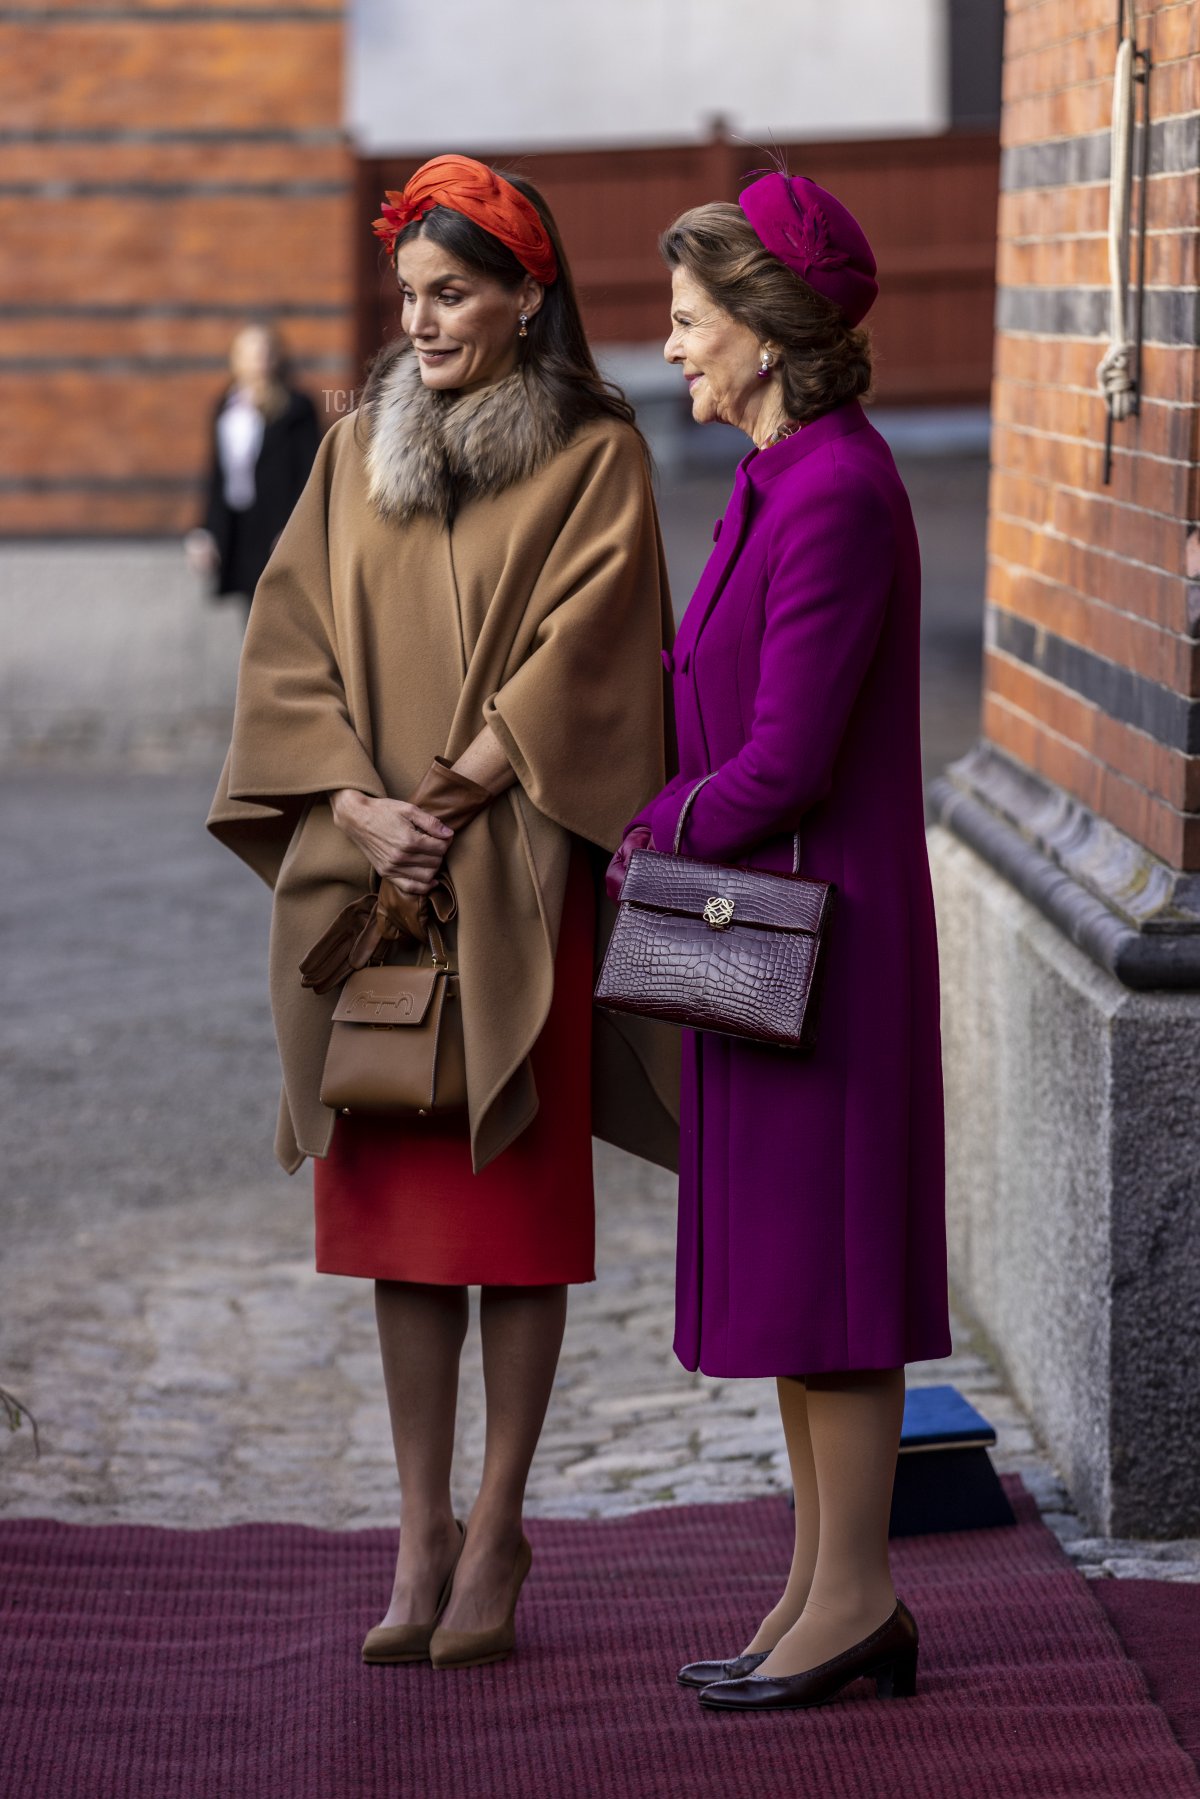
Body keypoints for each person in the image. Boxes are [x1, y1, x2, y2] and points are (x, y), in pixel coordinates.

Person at [207, 156, 677, 1671]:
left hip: (515, 871)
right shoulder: (349, 451)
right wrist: (352, 805)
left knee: (515, 1215)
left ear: (526, 299)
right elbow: (286, 652)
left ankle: (499, 1522)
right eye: (409, 294)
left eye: (454, 294)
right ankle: (416, 1531)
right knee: (404, 1223)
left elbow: (600, 641)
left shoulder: (597, 452)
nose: (421, 320)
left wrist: (463, 789)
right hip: (377, 877)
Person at [609, 171, 950, 1713]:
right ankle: (821, 1584)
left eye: (688, 322)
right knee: (798, 1279)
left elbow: (788, 756)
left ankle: (861, 1590)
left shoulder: (837, 490)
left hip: (826, 936)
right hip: (764, 932)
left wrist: (654, 832)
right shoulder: (772, 475)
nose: (667, 347)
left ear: (765, 331)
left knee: (836, 1275)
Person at [186, 323, 320, 616]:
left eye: (266, 351)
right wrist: (204, 530)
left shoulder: (297, 407)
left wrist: (296, 525)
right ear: (236, 358)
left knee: (282, 609)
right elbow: (218, 473)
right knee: (250, 608)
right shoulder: (226, 405)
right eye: (251, 352)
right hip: (238, 521)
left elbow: (310, 471)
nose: (259, 359)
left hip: (276, 525)